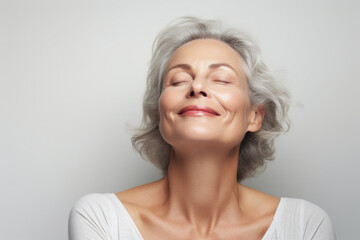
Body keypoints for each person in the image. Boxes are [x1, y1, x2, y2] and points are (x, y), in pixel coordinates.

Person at [68, 17, 336, 240]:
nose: (196, 87)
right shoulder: (101, 218)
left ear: (255, 116)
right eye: (178, 80)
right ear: (159, 115)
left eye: (221, 79)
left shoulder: (304, 226)